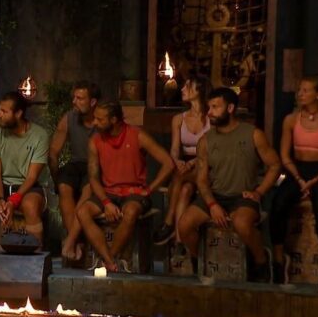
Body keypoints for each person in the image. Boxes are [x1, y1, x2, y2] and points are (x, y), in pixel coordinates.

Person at [177, 87, 281, 282]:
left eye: (215, 107)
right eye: (209, 107)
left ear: (231, 108)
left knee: (242, 224)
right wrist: (212, 205)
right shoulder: (205, 141)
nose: (209, 112)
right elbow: (201, 180)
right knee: (184, 226)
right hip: (215, 195)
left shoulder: (253, 134)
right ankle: (200, 260)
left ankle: (261, 262)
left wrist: (259, 192)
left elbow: (275, 165)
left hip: (242, 197)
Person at [76, 100, 174, 273]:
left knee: (130, 211)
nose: (95, 122)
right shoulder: (95, 141)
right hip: (108, 192)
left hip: (134, 192)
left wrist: (150, 189)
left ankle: (110, 257)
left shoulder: (137, 135)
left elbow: (168, 163)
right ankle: (109, 260)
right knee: (83, 212)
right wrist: (106, 202)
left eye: (100, 119)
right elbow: (93, 178)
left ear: (114, 120)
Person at [270, 75, 318, 287]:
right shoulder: (291, 120)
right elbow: (284, 156)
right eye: (299, 90)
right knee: (278, 204)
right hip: (297, 171)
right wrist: (299, 179)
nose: (300, 94)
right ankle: (279, 261)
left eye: (305, 90)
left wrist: (315, 180)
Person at [0, 92, 49, 266]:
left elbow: (32, 176)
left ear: (18, 114)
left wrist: (14, 201)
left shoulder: (39, 135)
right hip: (2, 186)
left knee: (30, 206)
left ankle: (34, 264)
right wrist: (1, 200)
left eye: (4, 111)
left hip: (27, 187)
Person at [154, 76, 211, 245]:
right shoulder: (179, 119)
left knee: (180, 176)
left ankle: (168, 221)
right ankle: (180, 241)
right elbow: (174, 149)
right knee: (185, 190)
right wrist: (176, 161)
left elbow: (212, 149)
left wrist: (192, 163)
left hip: (206, 164)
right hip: (185, 165)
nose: (182, 89)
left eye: (187, 86)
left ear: (199, 90)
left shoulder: (211, 117)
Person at [51, 81, 100, 261]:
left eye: (80, 98)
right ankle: (77, 242)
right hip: (76, 163)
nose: (74, 102)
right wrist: (56, 177)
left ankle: (71, 241)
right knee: (64, 186)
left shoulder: (102, 119)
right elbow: (53, 151)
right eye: (74, 97)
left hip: (96, 165)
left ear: (92, 102)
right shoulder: (69, 118)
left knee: (87, 189)